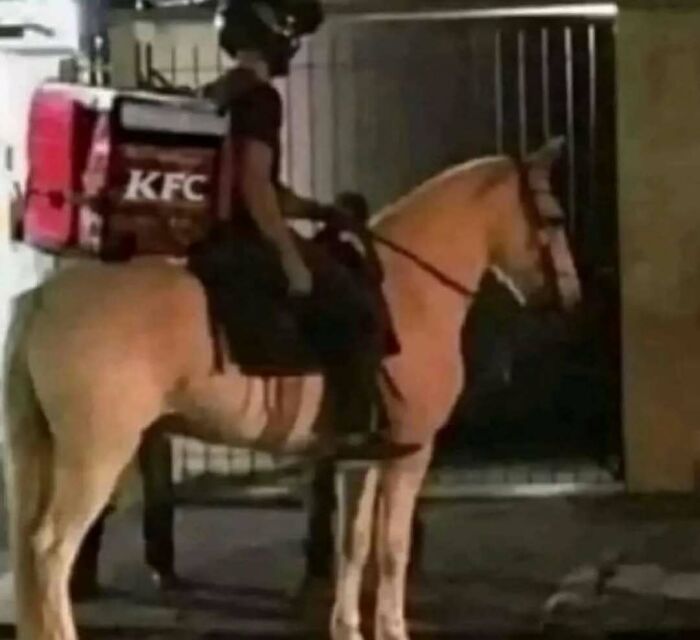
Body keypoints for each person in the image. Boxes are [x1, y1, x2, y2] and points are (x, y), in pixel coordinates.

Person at [193, 0, 418, 462]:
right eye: (288, 33)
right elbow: (254, 184)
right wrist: (288, 255)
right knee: (353, 303)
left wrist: (320, 212)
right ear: (270, 37)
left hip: (210, 238)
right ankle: (351, 429)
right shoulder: (260, 98)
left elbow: (265, 188)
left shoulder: (218, 93)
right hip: (245, 241)